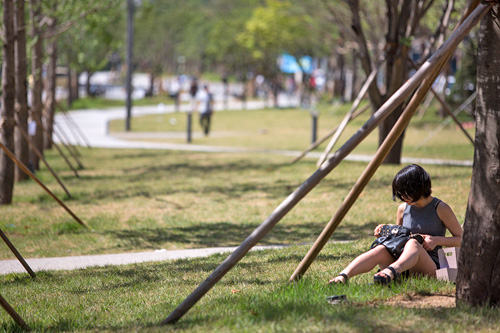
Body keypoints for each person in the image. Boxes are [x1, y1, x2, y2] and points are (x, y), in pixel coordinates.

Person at [329, 164, 463, 285]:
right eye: (400, 193)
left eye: (406, 192)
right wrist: (387, 230)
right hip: (403, 266)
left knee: (413, 243)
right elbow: (398, 239)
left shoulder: (440, 208)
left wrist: (436, 240)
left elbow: (462, 240)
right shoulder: (403, 209)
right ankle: (343, 276)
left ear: (419, 187)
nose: (402, 197)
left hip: (431, 268)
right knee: (381, 248)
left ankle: (391, 272)